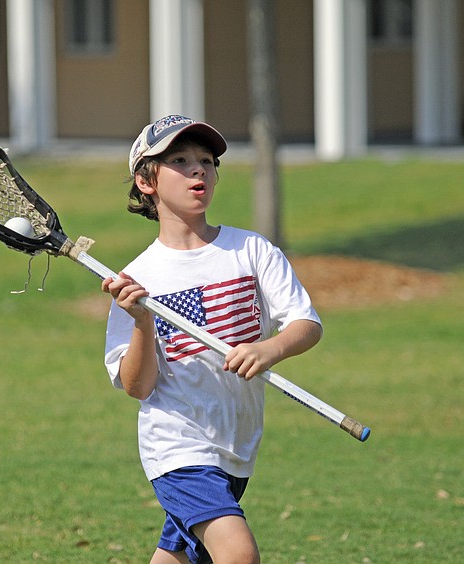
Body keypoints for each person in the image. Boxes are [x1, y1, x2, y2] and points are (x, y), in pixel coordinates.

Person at [102, 115, 323, 564]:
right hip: (177, 445)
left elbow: (306, 324)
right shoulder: (138, 278)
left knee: (176, 558)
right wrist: (142, 321)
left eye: (206, 160)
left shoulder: (252, 250)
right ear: (147, 181)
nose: (198, 170)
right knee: (238, 554)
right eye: (179, 161)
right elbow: (137, 387)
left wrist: (269, 348)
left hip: (236, 442)